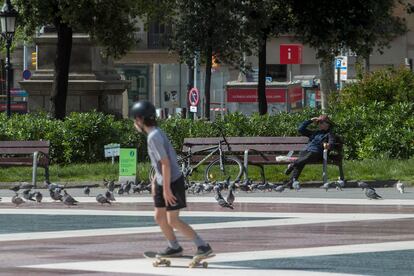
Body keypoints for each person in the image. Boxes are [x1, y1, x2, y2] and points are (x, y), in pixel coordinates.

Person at [131, 100, 213, 258]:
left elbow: (166, 163)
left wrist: (167, 189)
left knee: (173, 220)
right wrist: (155, 181)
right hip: (163, 181)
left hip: (172, 182)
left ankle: (202, 246)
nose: (135, 123)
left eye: (135, 119)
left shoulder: (154, 136)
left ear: (140, 119)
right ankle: (174, 247)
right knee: (159, 216)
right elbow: (159, 164)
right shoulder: (155, 133)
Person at [284, 114, 335, 186]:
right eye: (318, 123)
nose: (319, 124)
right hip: (306, 151)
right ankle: (291, 182)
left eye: (321, 122)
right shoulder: (315, 133)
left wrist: (328, 145)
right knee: (301, 161)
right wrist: (310, 121)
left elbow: (331, 143)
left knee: (305, 157)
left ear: (328, 124)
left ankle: (293, 164)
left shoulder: (329, 134)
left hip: (316, 153)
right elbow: (300, 129)